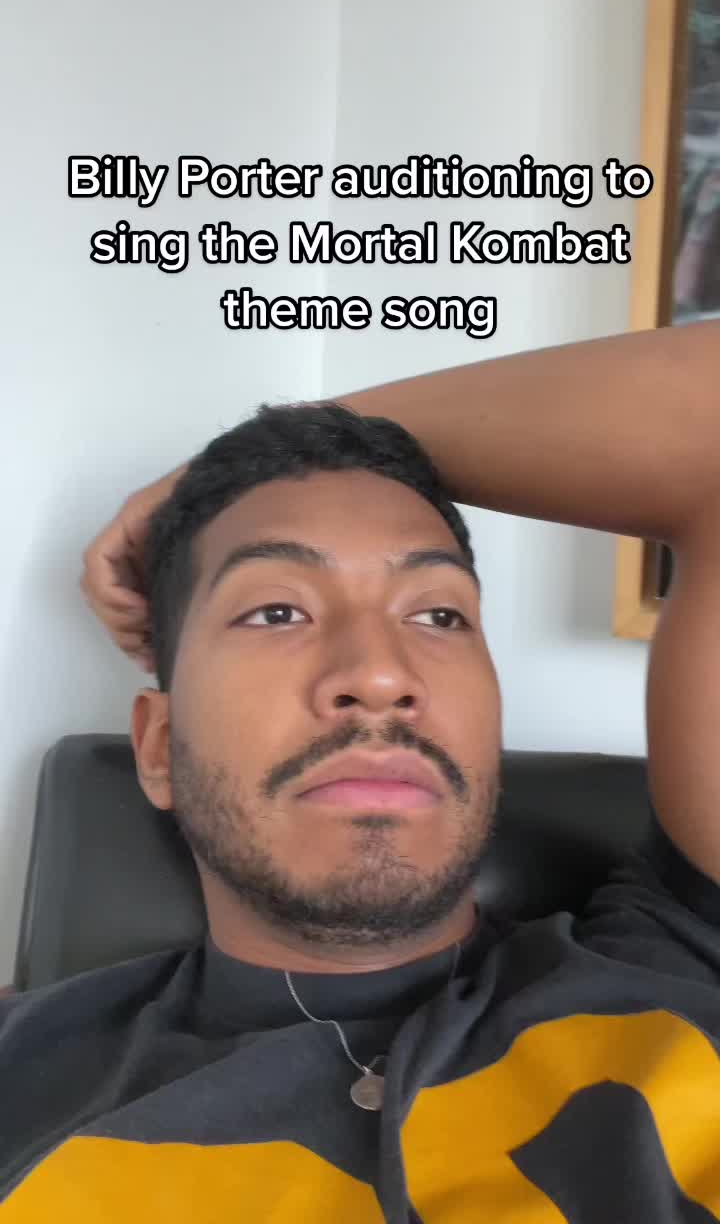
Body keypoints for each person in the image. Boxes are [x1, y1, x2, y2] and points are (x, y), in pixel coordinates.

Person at [2, 321, 720, 1223]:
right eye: (275, 610)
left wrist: (272, 447)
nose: (380, 675)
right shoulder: (23, 1074)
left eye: (438, 614)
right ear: (158, 749)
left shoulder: (683, 959)